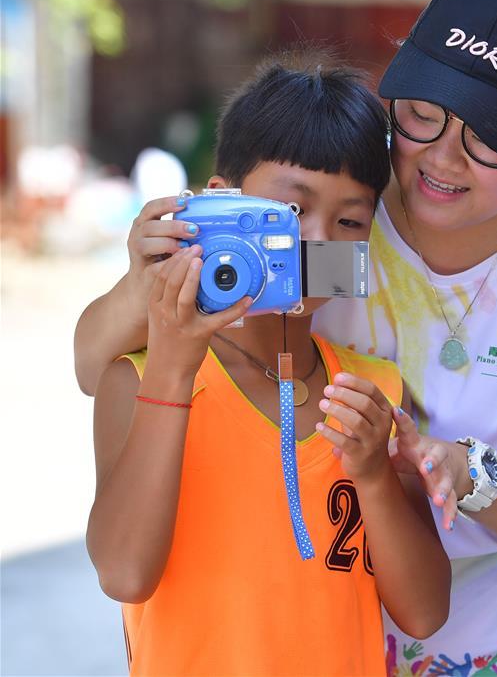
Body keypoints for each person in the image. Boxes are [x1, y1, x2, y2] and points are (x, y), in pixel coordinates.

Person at [76, 0, 497, 677]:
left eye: (492, 137)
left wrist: (448, 468)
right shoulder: (342, 193)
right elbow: (103, 369)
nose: (442, 157)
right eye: (421, 114)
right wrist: (152, 280)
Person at [84, 54, 451, 677]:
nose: (320, 242)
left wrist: (373, 476)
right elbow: (123, 574)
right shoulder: (141, 378)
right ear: (219, 208)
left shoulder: (373, 397)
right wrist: (172, 373)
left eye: (351, 221)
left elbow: (424, 613)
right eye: (288, 214)